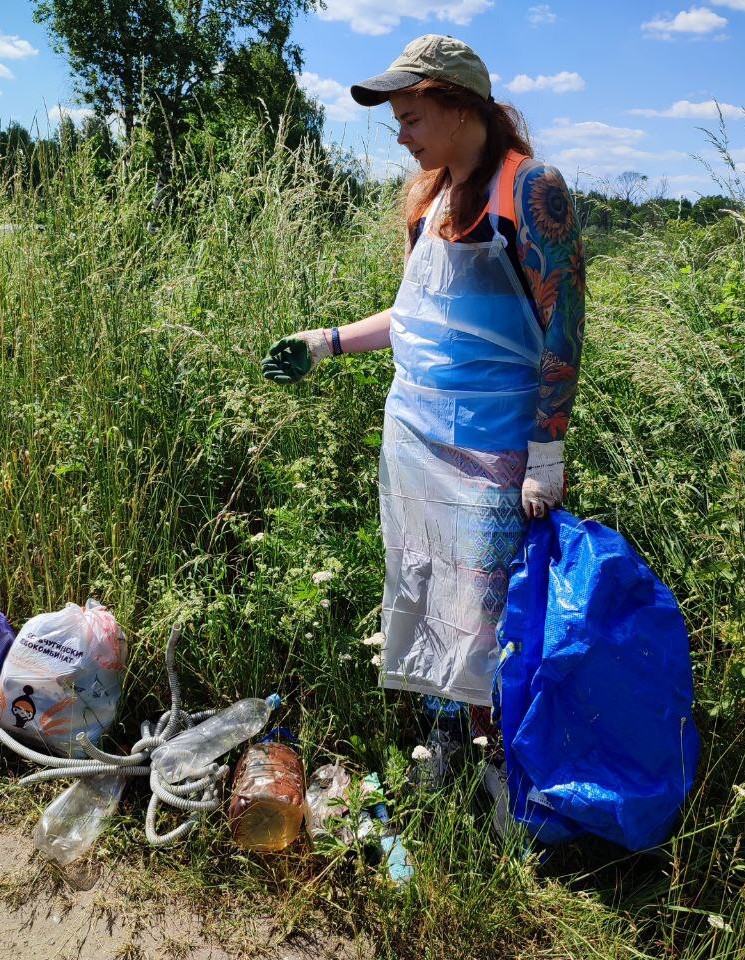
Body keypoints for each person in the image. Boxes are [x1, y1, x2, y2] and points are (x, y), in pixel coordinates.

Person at [262, 35, 585, 784]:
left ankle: (507, 767)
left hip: (495, 446)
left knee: (487, 609)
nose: (401, 136)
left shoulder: (530, 191)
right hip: (413, 434)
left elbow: (562, 329)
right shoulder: (431, 198)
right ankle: (444, 745)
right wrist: (327, 341)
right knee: (423, 588)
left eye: (411, 118)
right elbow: (415, 316)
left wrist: (546, 456)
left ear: (461, 108)